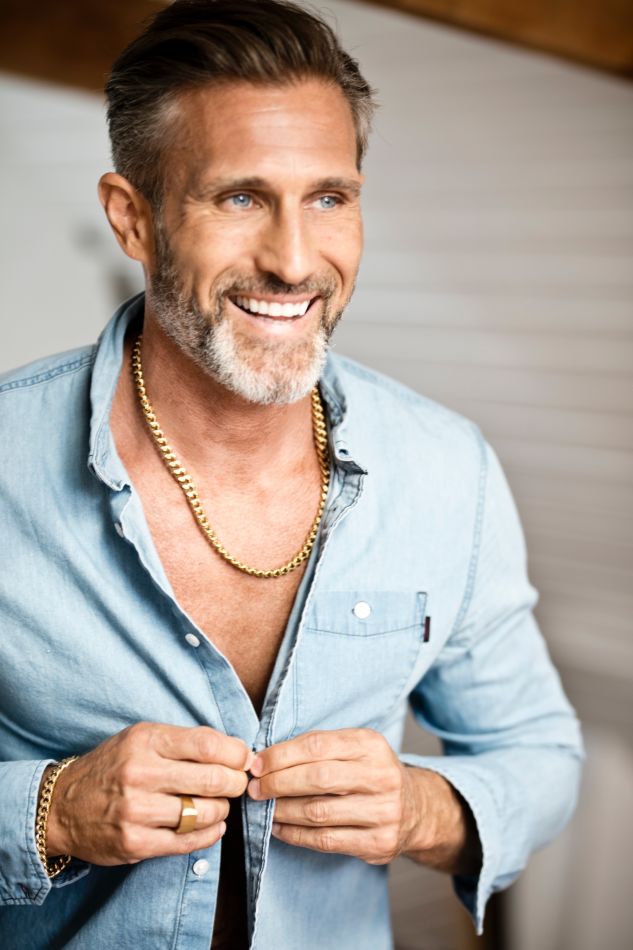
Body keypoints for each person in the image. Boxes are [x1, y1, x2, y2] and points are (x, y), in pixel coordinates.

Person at [0, 1, 584, 947]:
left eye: (328, 198)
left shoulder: (447, 469)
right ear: (132, 218)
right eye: (239, 198)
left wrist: (423, 809)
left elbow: (539, 754)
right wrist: (53, 811)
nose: (294, 261)